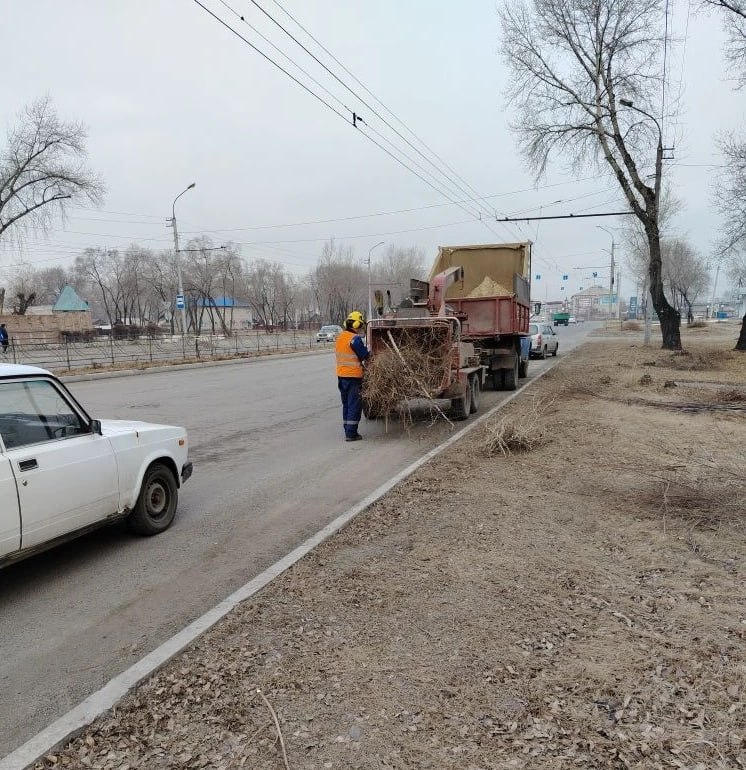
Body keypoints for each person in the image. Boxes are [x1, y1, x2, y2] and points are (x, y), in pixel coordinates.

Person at [335, 310, 370, 441]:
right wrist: (369, 352)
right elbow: (365, 355)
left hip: (341, 376)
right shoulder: (354, 339)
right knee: (354, 405)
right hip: (353, 378)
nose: (361, 328)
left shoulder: (340, 336)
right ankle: (351, 434)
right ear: (355, 325)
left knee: (347, 405)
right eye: (360, 325)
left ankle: (347, 429)